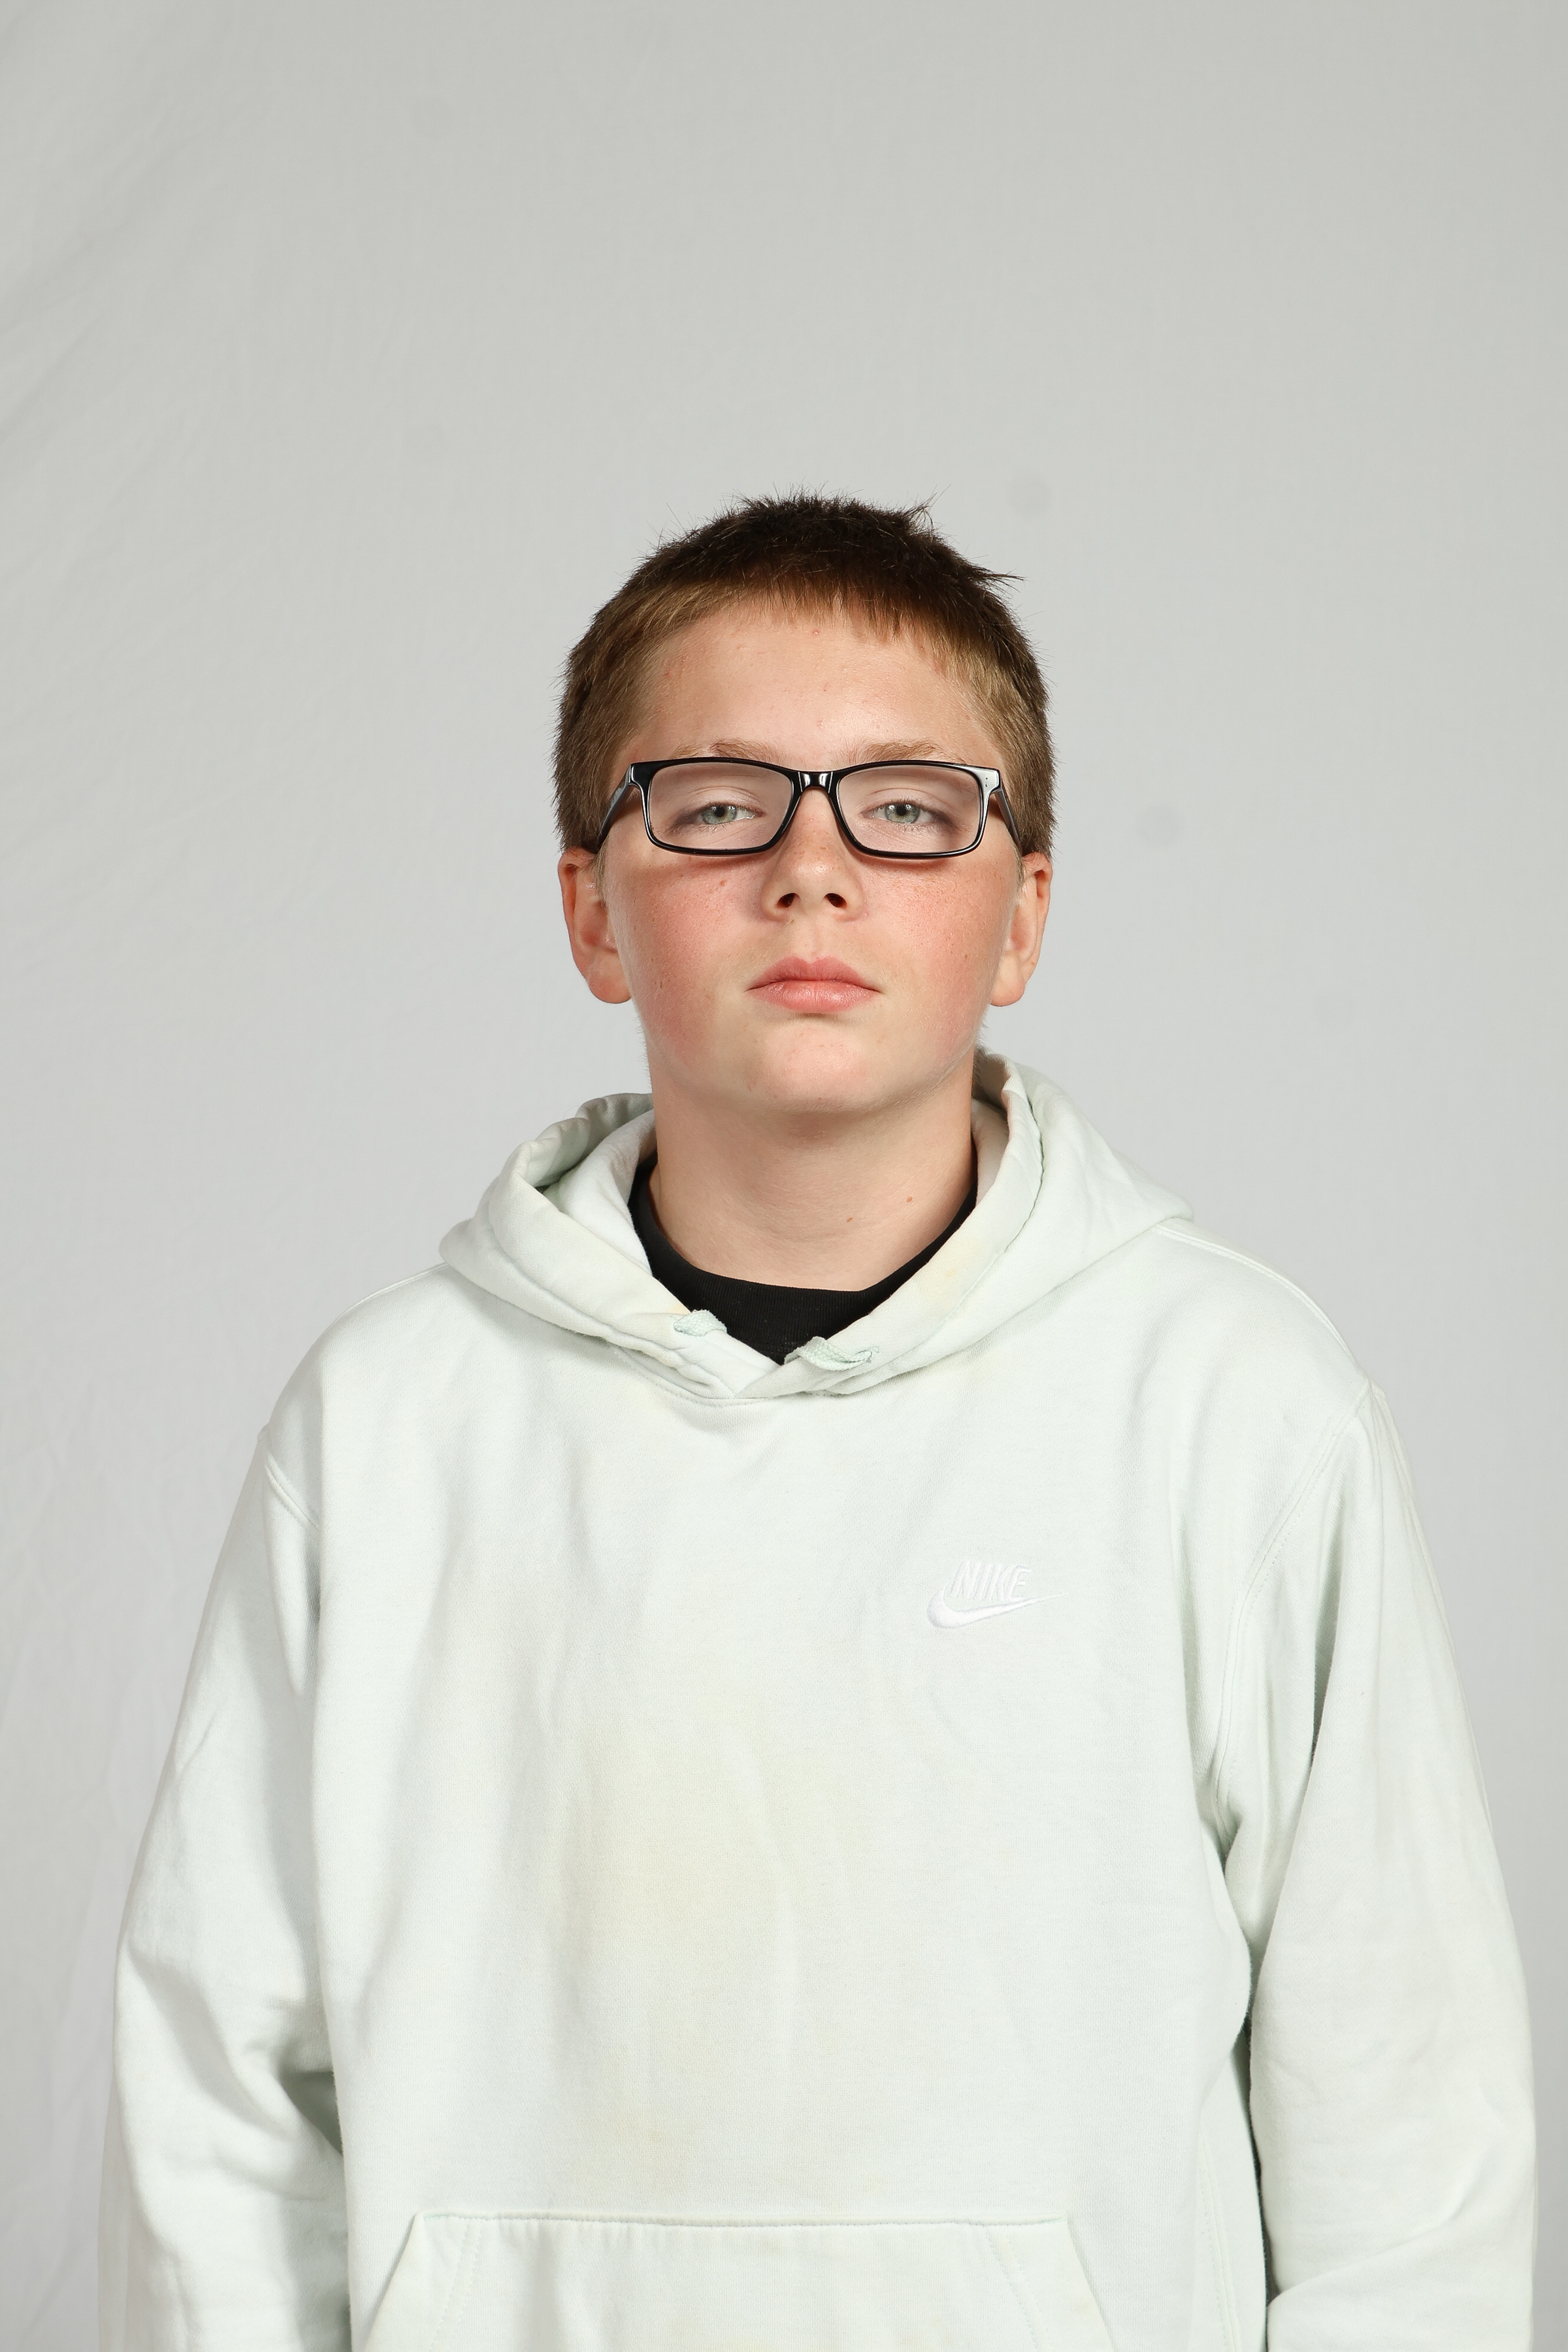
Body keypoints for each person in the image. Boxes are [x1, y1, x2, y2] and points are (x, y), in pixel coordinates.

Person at [101, 495, 1535, 2351]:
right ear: (591, 908)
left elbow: (1405, 2140)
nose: (810, 871)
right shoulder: (387, 1429)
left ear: (1020, 915)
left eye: (908, 808)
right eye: (715, 805)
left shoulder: (1236, 1408)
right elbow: (221, 2103)